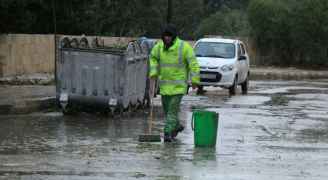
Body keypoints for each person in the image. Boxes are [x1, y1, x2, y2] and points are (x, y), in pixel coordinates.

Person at [149, 24, 200, 142]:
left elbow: (193, 64)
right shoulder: (159, 47)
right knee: (168, 111)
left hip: (178, 87)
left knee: (171, 111)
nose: (167, 38)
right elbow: (153, 57)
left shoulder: (184, 47)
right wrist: (153, 71)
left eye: (169, 36)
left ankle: (167, 133)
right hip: (164, 87)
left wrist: (195, 80)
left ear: (174, 36)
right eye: (165, 36)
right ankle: (176, 126)